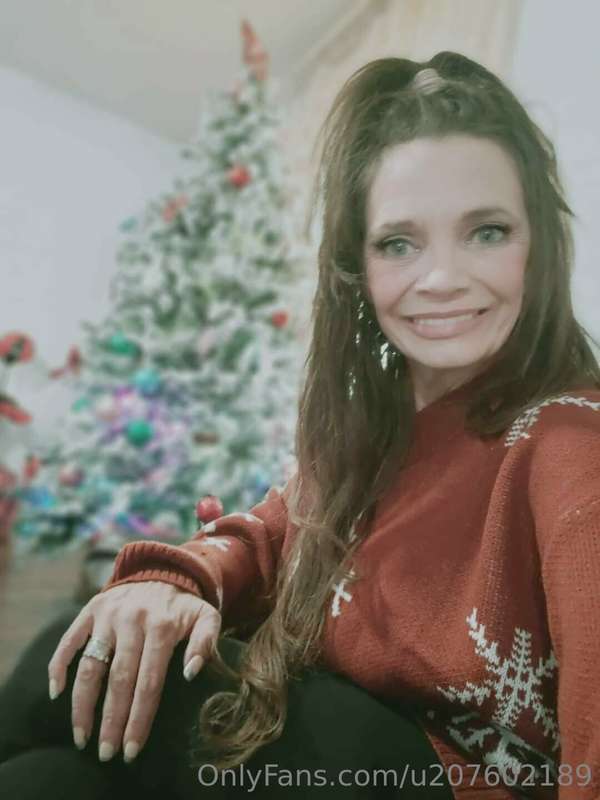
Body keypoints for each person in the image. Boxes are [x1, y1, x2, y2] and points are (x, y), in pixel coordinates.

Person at [2, 50, 600, 799]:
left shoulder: (571, 446)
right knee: (51, 775)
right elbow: (271, 535)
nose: (443, 278)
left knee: (61, 664)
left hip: (439, 779)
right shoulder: (373, 431)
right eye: (399, 243)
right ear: (357, 268)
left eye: (487, 231)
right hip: (330, 749)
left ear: (538, 243)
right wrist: (176, 580)